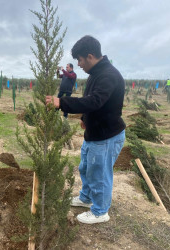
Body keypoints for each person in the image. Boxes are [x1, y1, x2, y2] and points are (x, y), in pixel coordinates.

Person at [46, 35, 126, 224]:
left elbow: (95, 101)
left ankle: (100, 211)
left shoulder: (108, 75)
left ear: (90, 56)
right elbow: (93, 101)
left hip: (107, 136)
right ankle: (86, 198)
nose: (79, 64)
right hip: (94, 132)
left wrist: (62, 102)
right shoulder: (95, 75)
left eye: (80, 60)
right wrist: (84, 118)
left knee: (99, 173)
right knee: (86, 168)